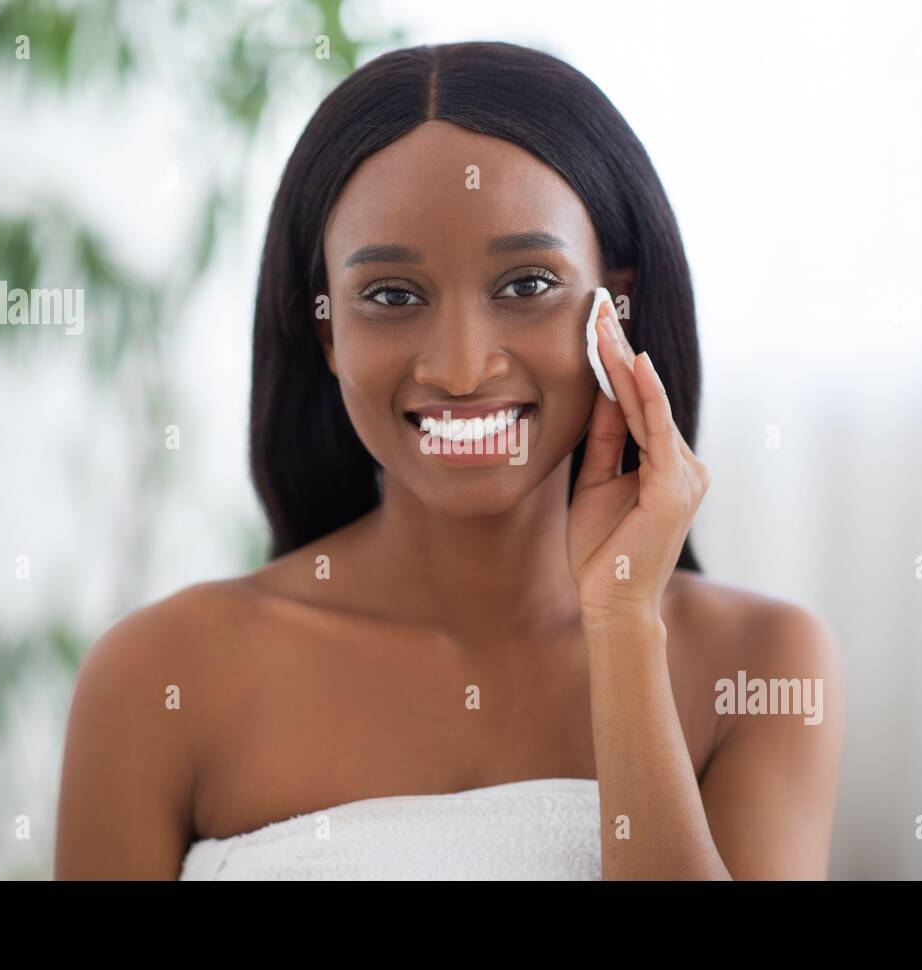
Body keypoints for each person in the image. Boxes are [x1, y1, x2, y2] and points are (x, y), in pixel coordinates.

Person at [54, 40, 844, 880]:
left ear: (618, 304)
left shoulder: (763, 666)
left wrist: (623, 631)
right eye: (392, 297)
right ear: (328, 331)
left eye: (526, 285)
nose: (462, 369)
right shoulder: (157, 677)